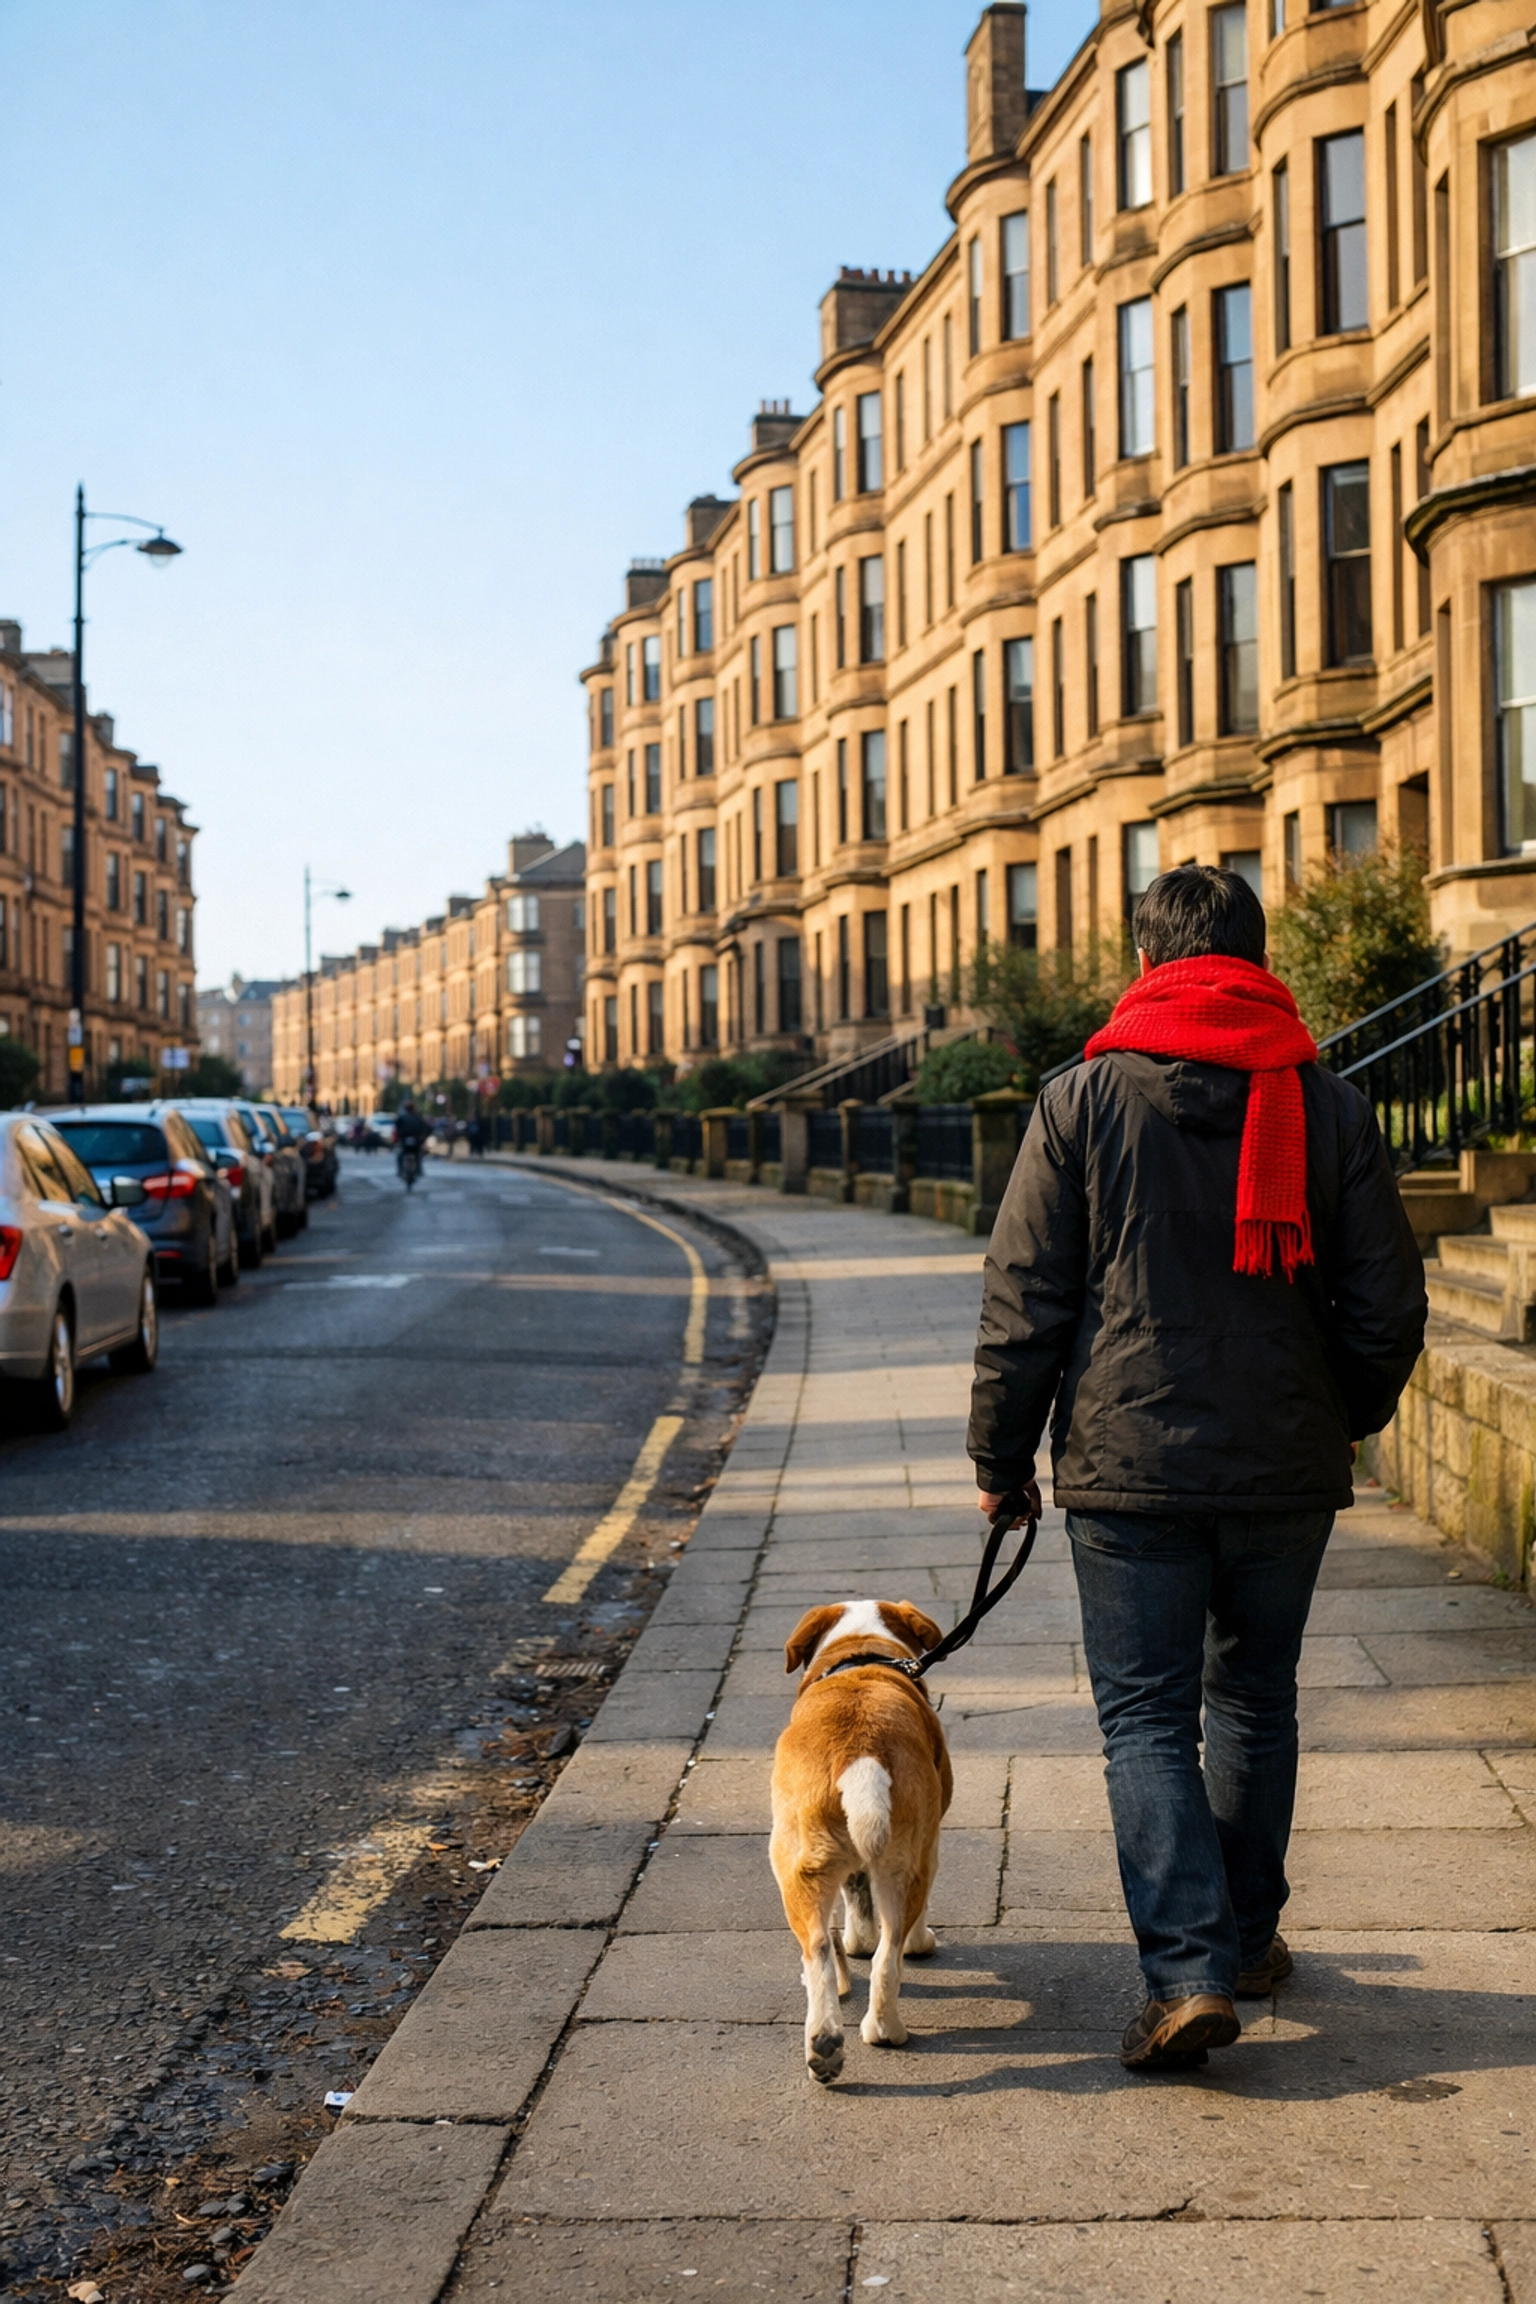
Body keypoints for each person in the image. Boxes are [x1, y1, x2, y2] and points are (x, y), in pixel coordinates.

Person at [968, 865, 1425, 2072]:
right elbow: (1388, 1306)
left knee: (1147, 1719)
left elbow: (1026, 1297)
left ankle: (1185, 1974)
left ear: (1143, 959)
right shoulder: (1326, 1104)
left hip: (1129, 1467)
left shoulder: (1080, 1101)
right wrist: (1340, 1415)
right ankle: (1251, 1941)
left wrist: (999, 1455)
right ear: (1257, 957)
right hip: (1283, 1460)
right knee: (1254, 1699)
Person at [394, 1097, 431, 1179]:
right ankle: (419, 1169)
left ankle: (400, 1170)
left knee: (400, 1156)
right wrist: (423, 1138)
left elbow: (396, 1128)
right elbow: (426, 1128)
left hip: (406, 1141)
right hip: (416, 1141)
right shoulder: (418, 1118)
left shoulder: (402, 1118)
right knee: (418, 1155)